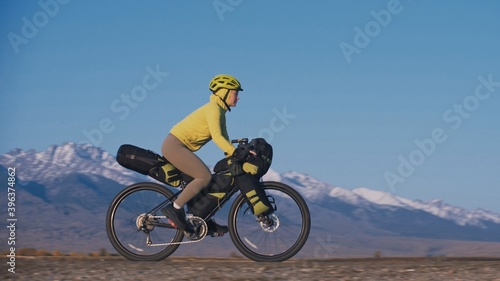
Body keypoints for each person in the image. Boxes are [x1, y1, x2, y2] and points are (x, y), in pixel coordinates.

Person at [161, 74, 243, 234]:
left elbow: (225, 140)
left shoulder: (220, 111)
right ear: (224, 92)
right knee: (204, 176)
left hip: (179, 146)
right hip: (174, 145)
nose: (238, 97)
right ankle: (175, 208)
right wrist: (235, 153)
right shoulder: (213, 109)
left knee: (206, 183)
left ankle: (202, 220)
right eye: (235, 93)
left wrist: (233, 157)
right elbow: (218, 137)